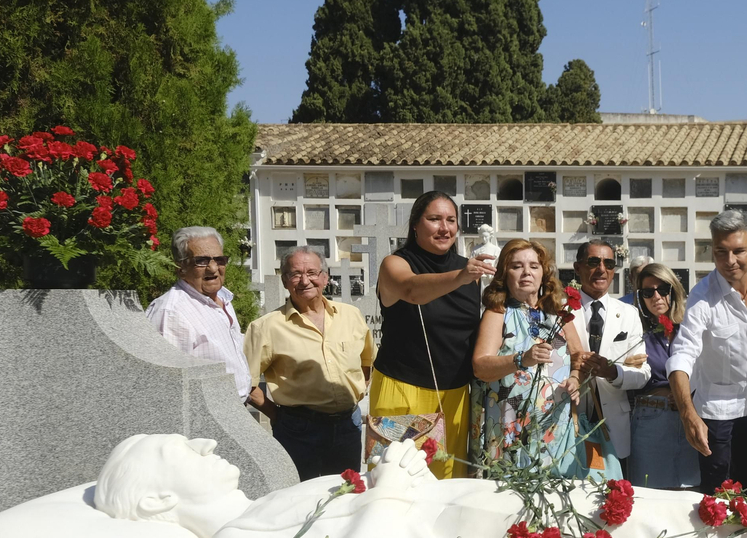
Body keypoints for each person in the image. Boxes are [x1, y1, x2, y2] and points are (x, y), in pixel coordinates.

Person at [373, 192, 494, 478]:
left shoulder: (469, 269)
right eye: (434, 219)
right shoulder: (395, 264)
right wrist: (461, 276)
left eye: (451, 220)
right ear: (415, 225)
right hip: (402, 389)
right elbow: (412, 290)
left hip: (454, 395)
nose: (445, 228)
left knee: (448, 484)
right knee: (396, 480)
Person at [667, 210, 747, 494]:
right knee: (718, 492)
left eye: (739, 251)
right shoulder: (702, 298)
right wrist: (688, 414)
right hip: (717, 408)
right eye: (721, 252)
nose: (730, 262)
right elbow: (682, 354)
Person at [243, 247, 376, 480]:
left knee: (345, 495)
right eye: (295, 274)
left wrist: (357, 391)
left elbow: (367, 360)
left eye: (312, 272)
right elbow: (247, 383)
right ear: (285, 281)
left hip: (348, 426)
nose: (305, 281)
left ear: (325, 277)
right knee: (299, 498)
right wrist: (278, 417)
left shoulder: (351, 315)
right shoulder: (266, 327)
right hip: (298, 431)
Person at [469, 239, 586, 475]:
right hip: (510, 429)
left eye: (534, 266)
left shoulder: (559, 315)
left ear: (544, 273)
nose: (526, 273)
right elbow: (480, 366)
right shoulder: (498, 312)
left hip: (554, 426)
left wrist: (574, 379)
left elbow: (578, 357)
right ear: (504, 273)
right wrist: (522, 359)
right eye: (516, 266)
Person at [571, 241, 650, 481]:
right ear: (578, 267)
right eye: (593, 262)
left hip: (612, 425)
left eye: (608, 263)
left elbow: (643, 373)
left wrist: (614, 372)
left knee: (612, 495)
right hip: (570, 421)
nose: (601, 269)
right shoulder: (561, 310)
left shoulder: (628, 313)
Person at [146, 226, 252, 402]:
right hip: (204, 418)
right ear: (180, 267)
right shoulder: (172, 312)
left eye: (219, 260)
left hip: (234, 412)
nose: (213, 268)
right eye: (201, 261)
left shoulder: (222, 299)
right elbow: (165, 386)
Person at [627, 262, 702, 490]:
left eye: (663, 290)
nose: (656, 296)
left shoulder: (690, 328)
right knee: (649, 494)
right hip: (652, 417)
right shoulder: (634, 330)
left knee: (690, 493)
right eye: (648, 292)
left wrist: (685, 393)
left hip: (690, 416)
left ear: (674, 291)